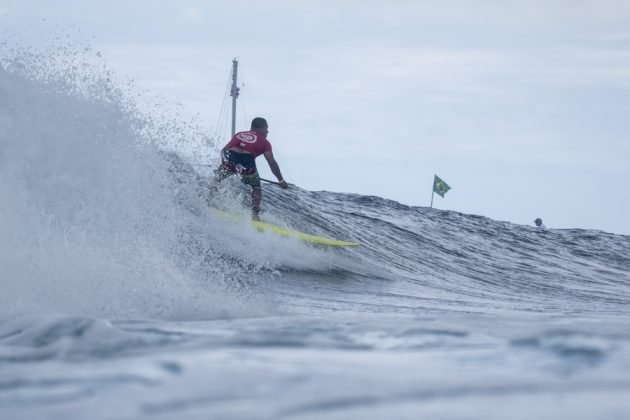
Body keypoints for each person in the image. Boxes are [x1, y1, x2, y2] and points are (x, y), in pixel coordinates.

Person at [211, 117, 288, 220]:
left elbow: (223, 151)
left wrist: (227, 166)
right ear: (260, 128)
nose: (267, 132)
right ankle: (255, 215)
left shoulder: (239, 134)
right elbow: (271, 162)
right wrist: (281, 180)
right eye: (266, 129)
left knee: (217, 177)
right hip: (247, 160)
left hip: (230, 156)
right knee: (256, 186)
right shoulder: (265, 142)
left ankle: (210, 200)